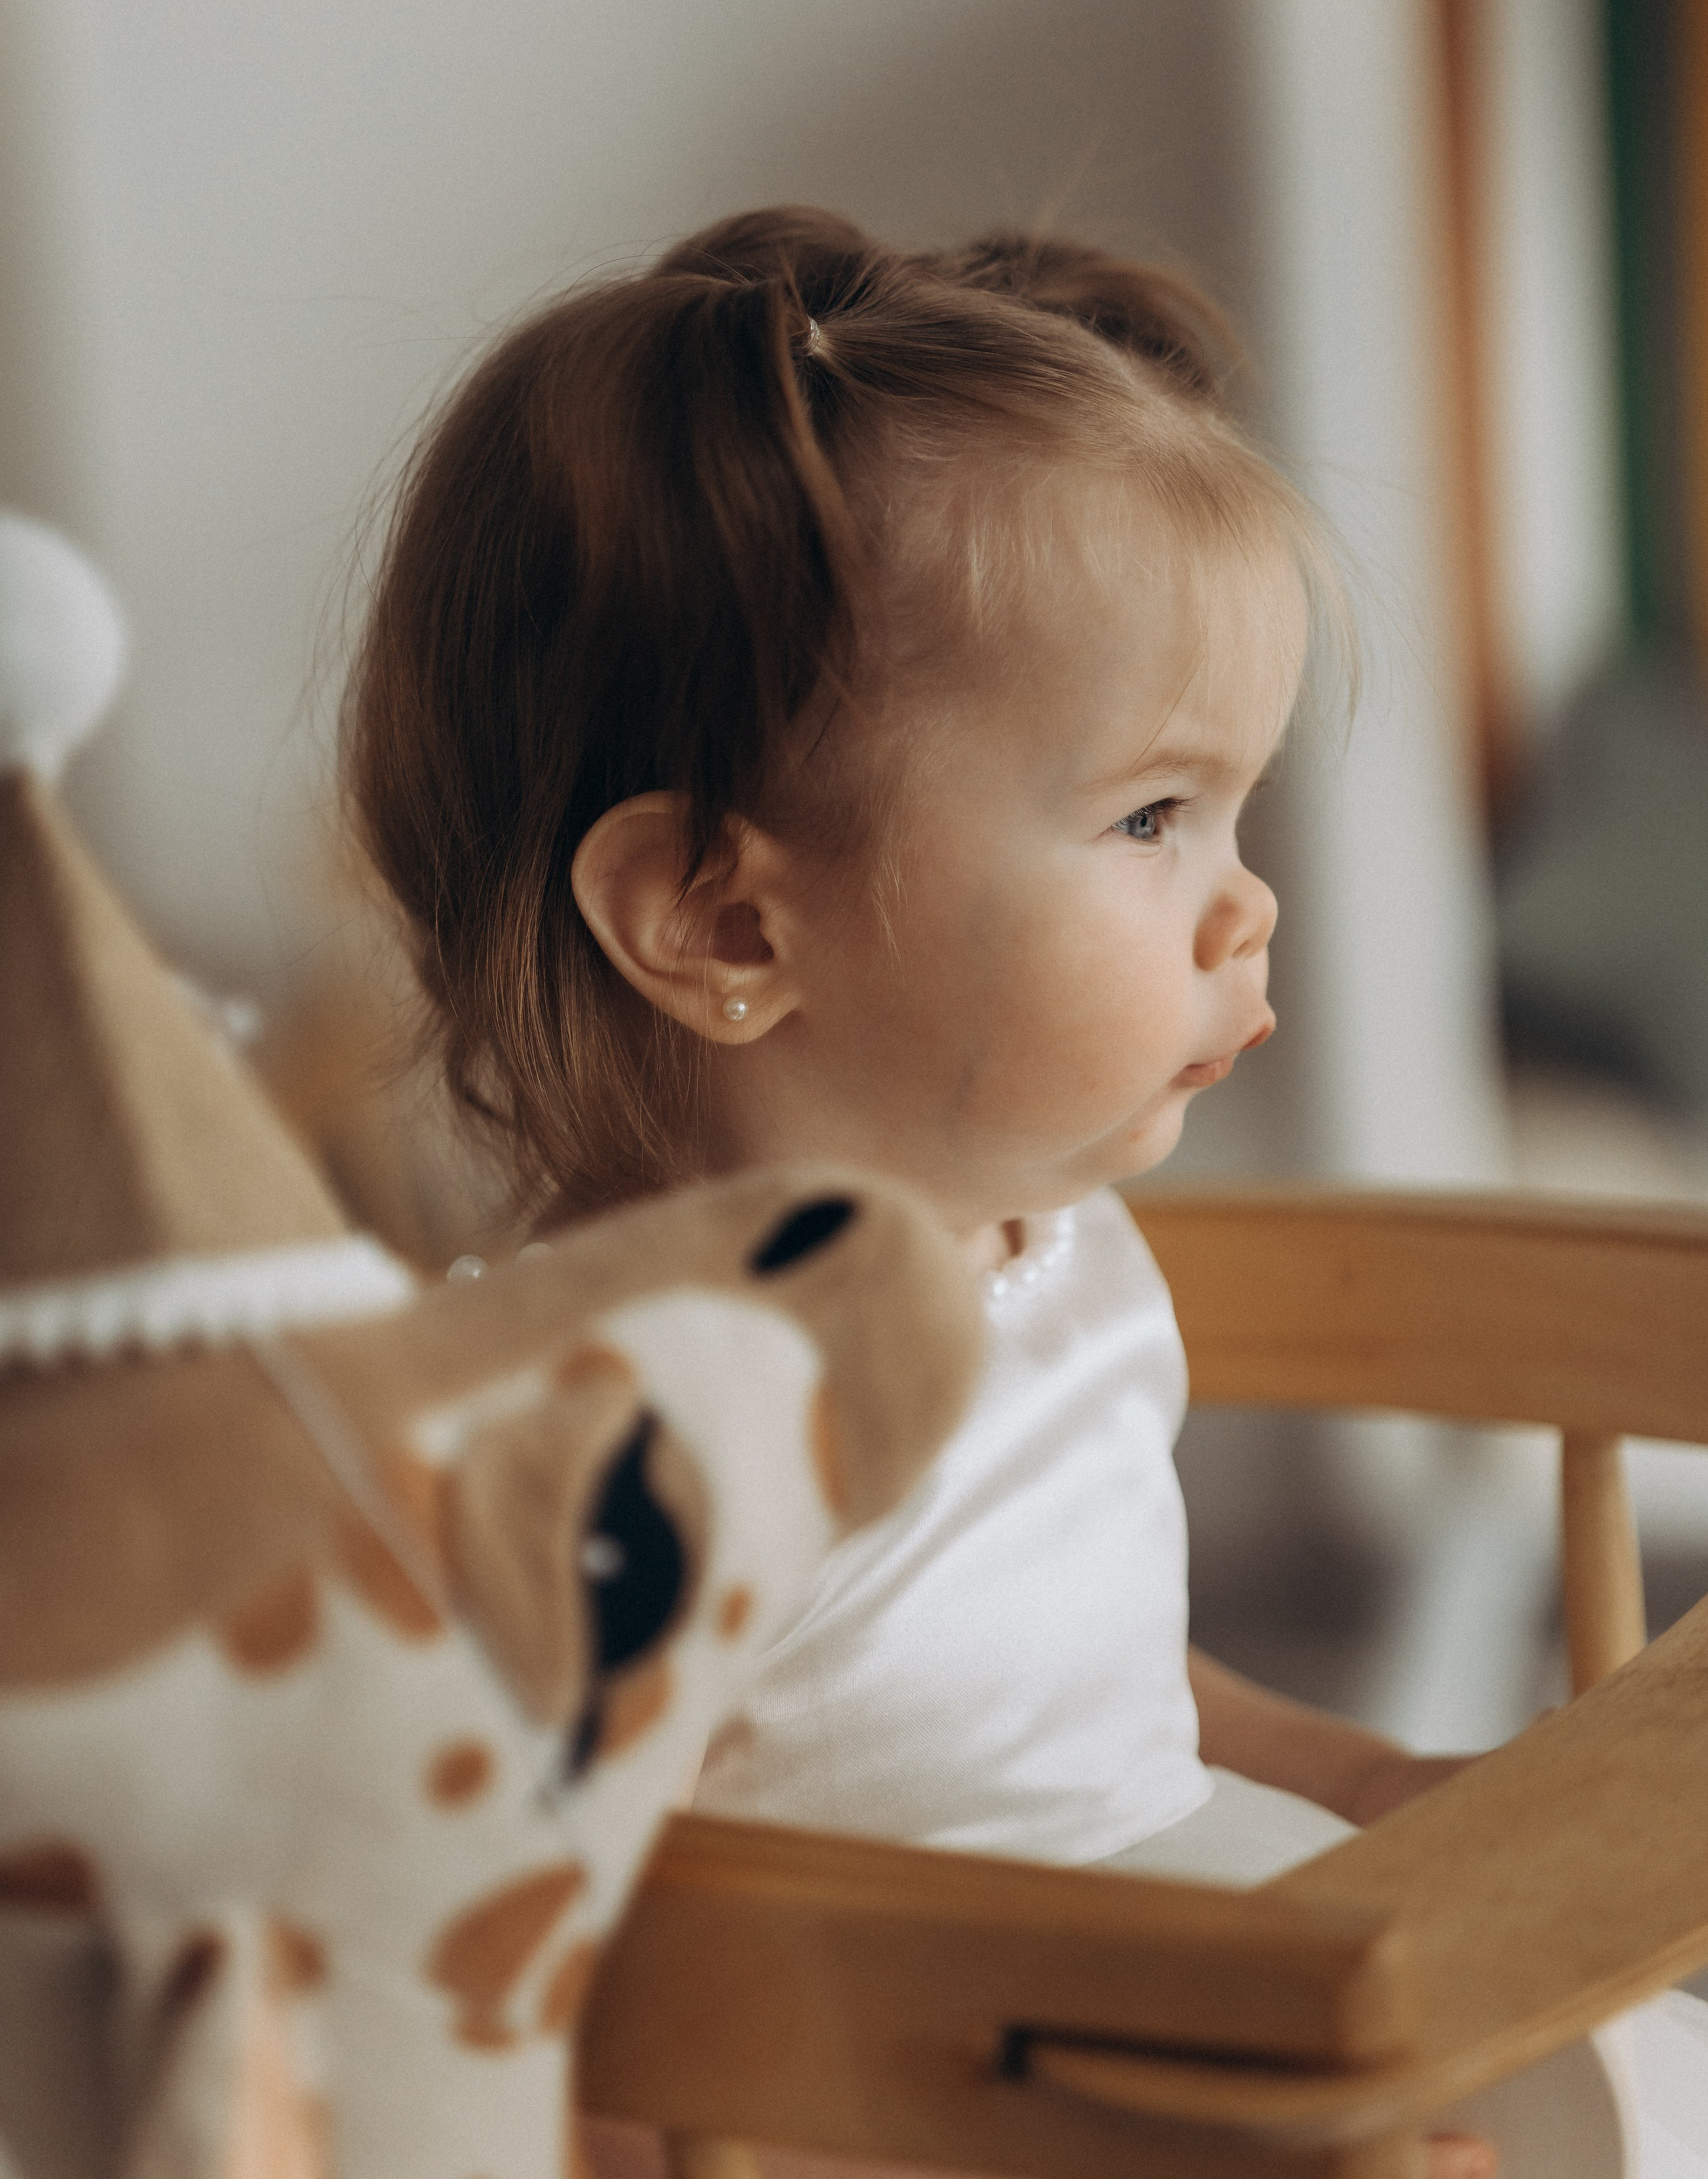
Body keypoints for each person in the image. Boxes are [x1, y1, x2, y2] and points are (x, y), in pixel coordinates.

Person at [344, 207, 1706, 2178]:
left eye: (1232, 811)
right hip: (922, 2099)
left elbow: (1098, 1672)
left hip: (1179, 1965)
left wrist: (1377, 1780)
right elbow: (548, 1977)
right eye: (1153, 815)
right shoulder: (627, 1418)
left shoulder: (1045, 1246)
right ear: (726, 918)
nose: (1247, 900)